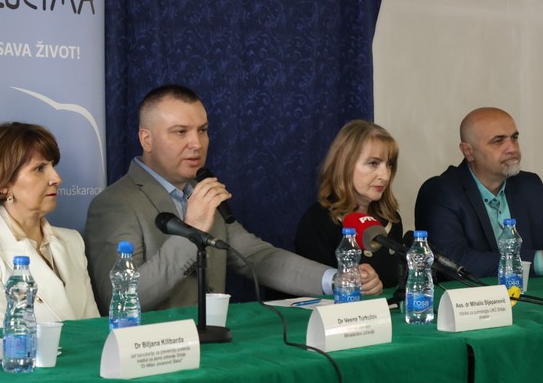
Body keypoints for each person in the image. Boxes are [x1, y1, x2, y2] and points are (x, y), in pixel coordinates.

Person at [84, 85, 382, 313]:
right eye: (180, 132)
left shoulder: (202, 192)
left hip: (215, 346)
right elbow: (117, 299)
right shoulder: (115, 203)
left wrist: (337, 279)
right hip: (155, 357)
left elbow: (257, 257)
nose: (196, 143)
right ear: (146, 139)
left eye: (203, 130)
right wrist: (192, 231)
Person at [0, 122, 99, 330]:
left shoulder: (72, 241)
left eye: (52, 166)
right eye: (39, 169)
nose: (56, 178)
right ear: (3, 184)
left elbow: (94, 329)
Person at [415, 107, 543, 279]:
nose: (512, 148)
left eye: (514, 138)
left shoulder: (529, 186)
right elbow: (454, 262)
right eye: (498, 141)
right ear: (468, 151)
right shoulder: (440, 192)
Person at [295, 120, 404, 288]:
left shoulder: (391, 219)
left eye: (389, 164)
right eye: (373, 163)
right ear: (345, 165)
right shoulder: (318, 221)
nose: (385, 175)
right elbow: (311, 289)